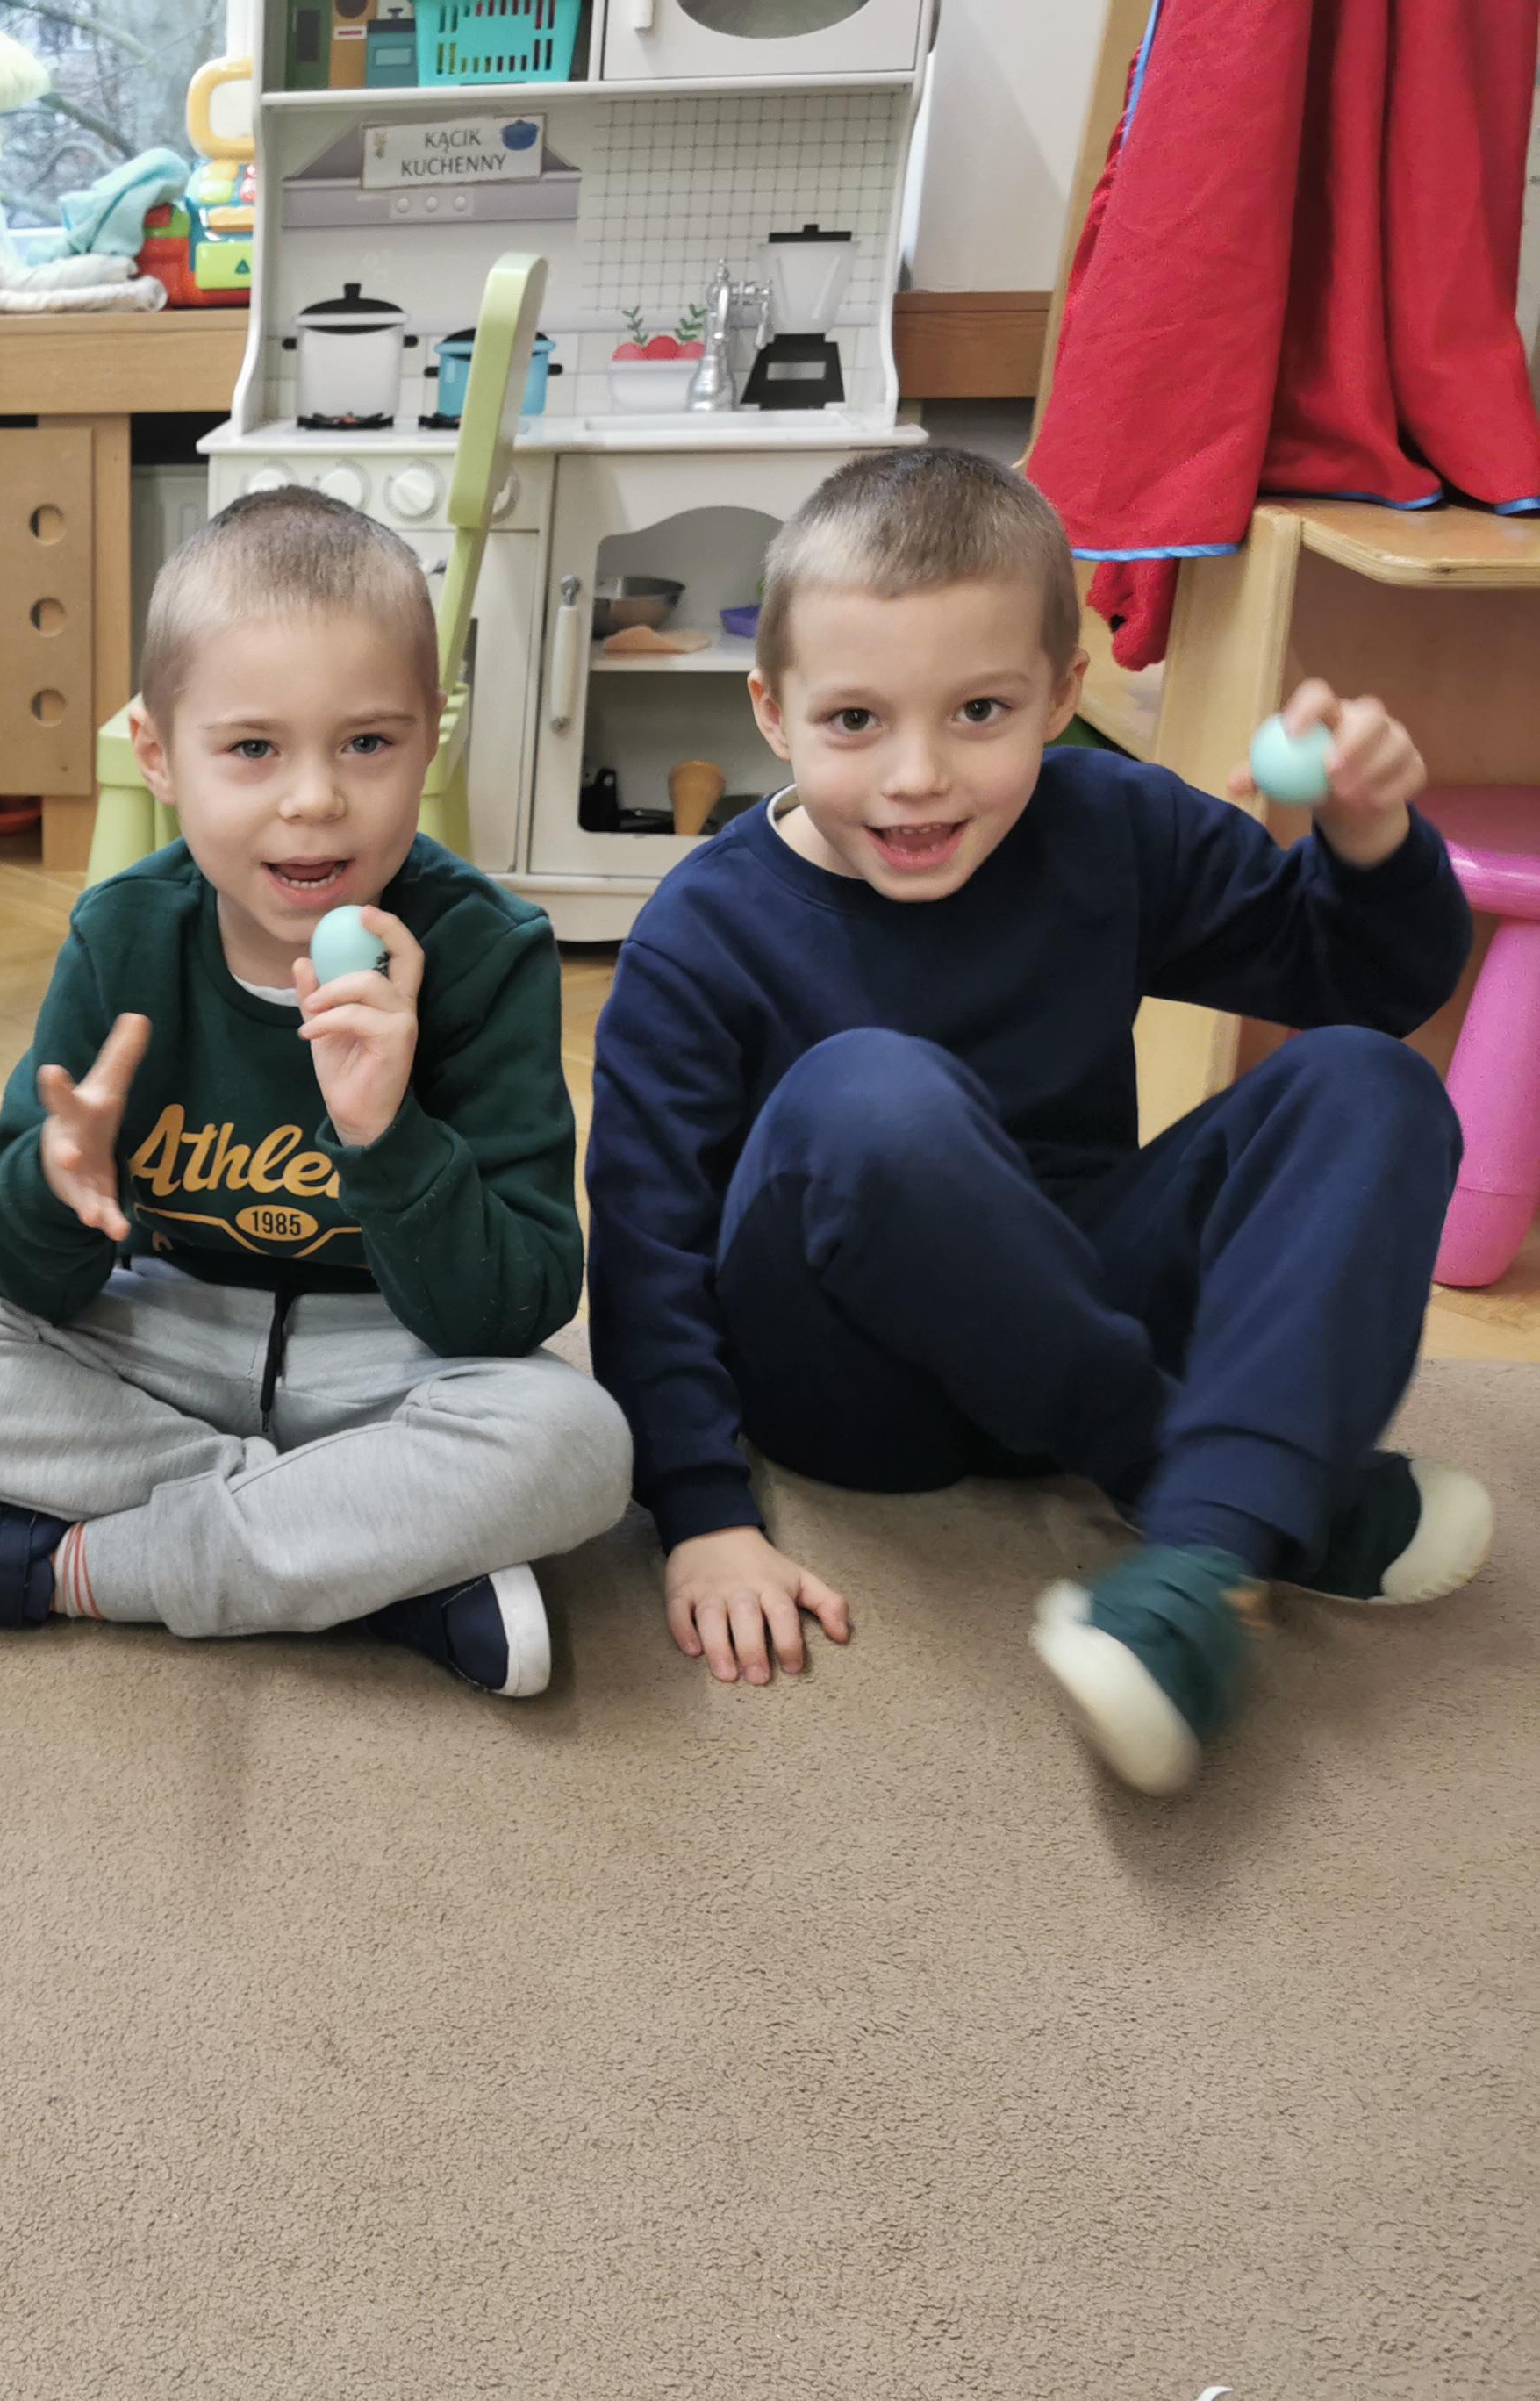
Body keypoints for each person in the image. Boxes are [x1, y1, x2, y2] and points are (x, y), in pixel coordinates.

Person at [585, 445, 1485, 1795]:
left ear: (1063, 694)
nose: (919, 776)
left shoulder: (1116, 823)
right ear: (773, 712)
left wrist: (1368, 840)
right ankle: (1221, 1497)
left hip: (1081, 1295)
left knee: (1371, 1080)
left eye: (980, 712)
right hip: (854, 1382)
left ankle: (1203, 1552)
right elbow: (646, 1245)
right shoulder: (700, 933)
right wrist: (699, 1509)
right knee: (867, 1092)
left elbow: (1364, 986)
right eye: (855, 722)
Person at [0, 488, 631, 1692]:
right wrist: (57, 1188)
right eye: (252, 749)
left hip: (386, 1362)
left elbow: (514, 1310)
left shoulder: (488, 951)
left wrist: (387, 1134)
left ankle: (68, 1570)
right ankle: (371, 1563)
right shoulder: (124, 936)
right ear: (158, 756)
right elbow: (7, 1280)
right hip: (164, 1340)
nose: (314, 798)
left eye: (368, 743)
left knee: (578, 1446)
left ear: (430, 743)